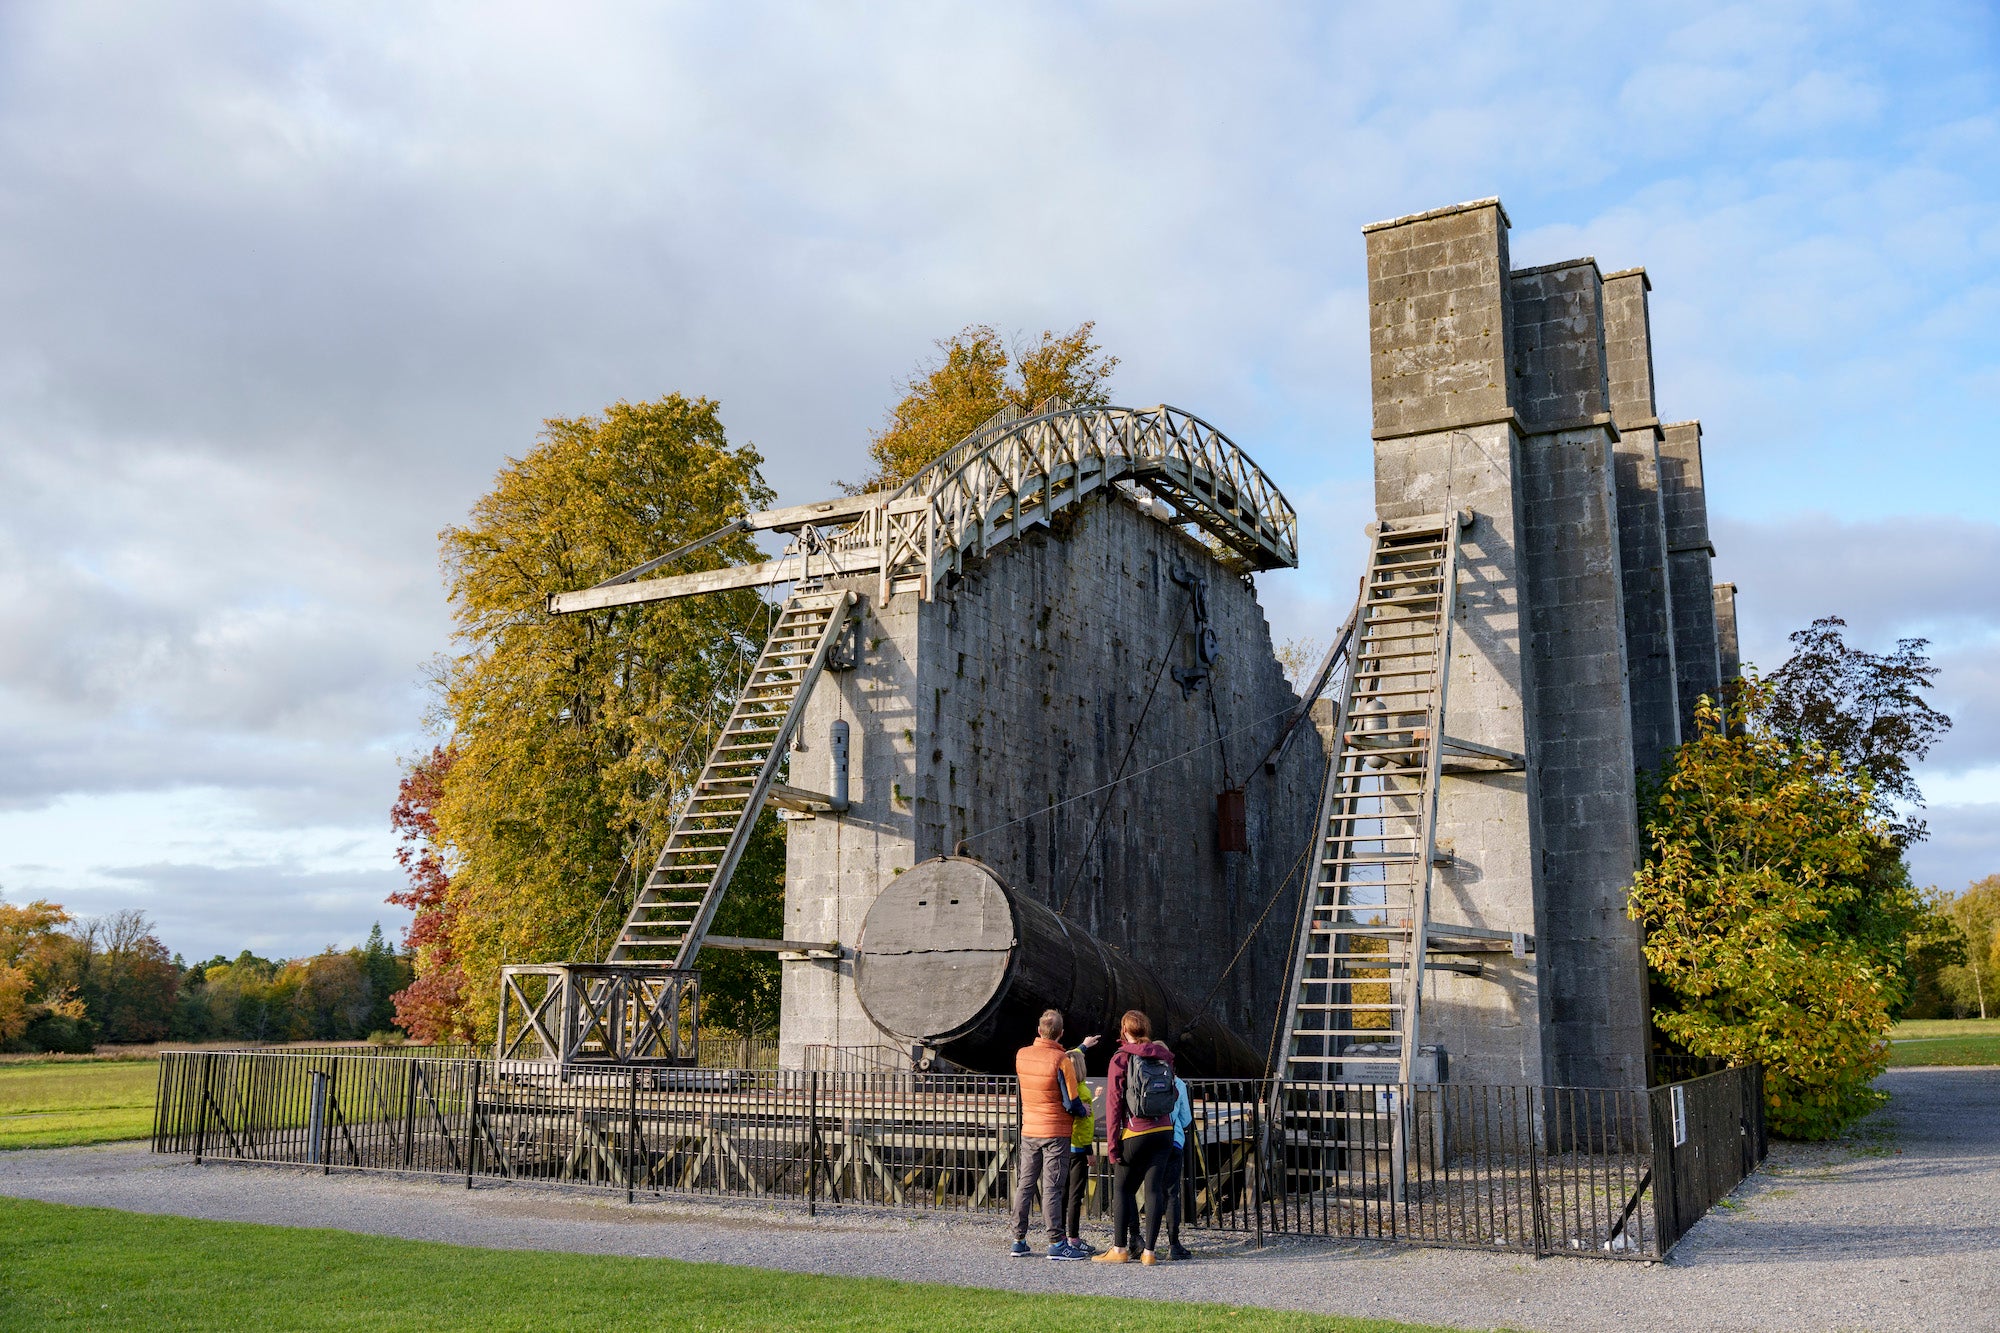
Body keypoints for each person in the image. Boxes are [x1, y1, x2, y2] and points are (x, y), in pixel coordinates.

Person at [1092, 1009, 1177, 1265]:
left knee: (1122, 1187)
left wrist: (1113, 1142)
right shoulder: (1164, 1055)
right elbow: (1172, 1093)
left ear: (1124, 1030)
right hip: (1164, 1129)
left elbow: (1114, 1104)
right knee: (1153, 1191)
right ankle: (1149, 1253)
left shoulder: (1121, 1058)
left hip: (1136, 1130)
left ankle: (1119, 1248)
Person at [1012, 1009, 1090, 1260]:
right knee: (1053, 1187)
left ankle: (1019, 1239)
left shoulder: (1022, 1055)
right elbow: (1071, 1102)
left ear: (1039, 1031)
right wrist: (1085, 1110)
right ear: (1061, 1033)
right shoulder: (1061, 1061)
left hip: (1030, 1129)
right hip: (1056, 1132)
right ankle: (1056, 1242)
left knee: (1025, 1183)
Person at [1062, 1045, 1098, 1255]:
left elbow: (1068, 1057)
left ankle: (1060, 1235)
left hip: (1063, 1145)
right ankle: (1073, 1237)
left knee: (1062, 1193)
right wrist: (1089, 1151)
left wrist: (1082, 1046)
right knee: (1076, 1195)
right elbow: (1085, 1127)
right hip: (1078, 1149)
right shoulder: (1083, 1092)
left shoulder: (1065, 1089)